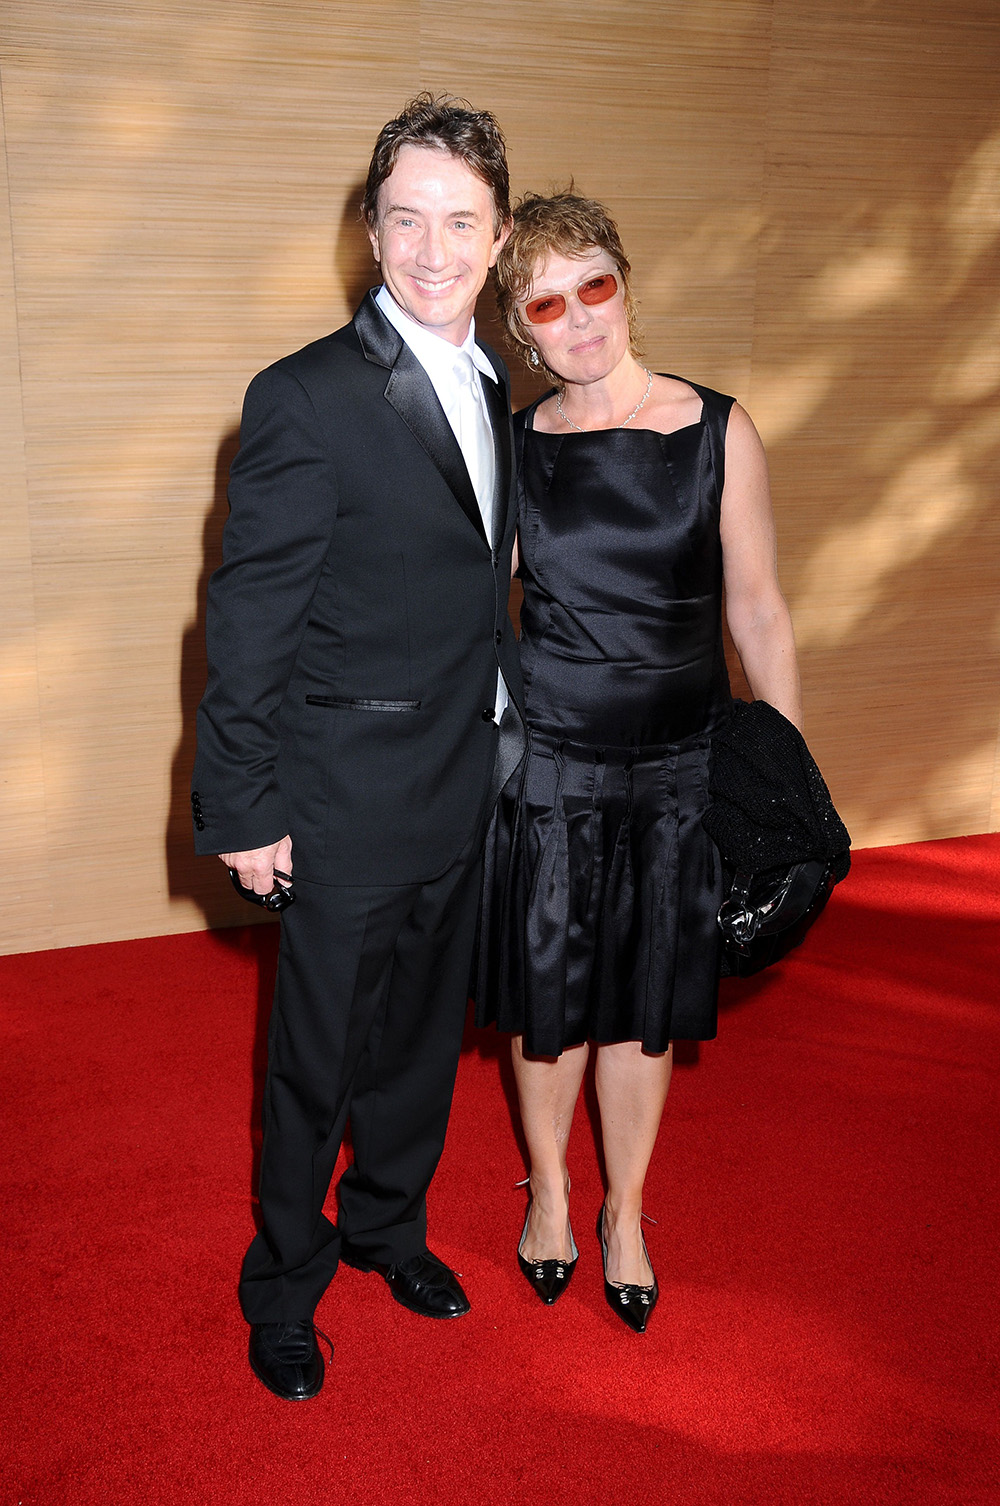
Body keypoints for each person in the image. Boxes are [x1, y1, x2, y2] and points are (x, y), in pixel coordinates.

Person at [192, 94, 525, 1400]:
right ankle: (284, 1280)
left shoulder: (496, 381)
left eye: (461, 222)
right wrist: (243, 806)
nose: (433, 250)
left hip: (458, 787)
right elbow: (248, 621)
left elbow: (476, 589)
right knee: (314, 1063)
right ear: (371, 230)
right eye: (406, 219)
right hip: (339, 801)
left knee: (423, 1046)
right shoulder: (304, 397)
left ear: (499, 236)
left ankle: (388, 1226)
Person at [474, 192, 802, 1332]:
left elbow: (758, 612)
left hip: (676, 773)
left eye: (593, 286)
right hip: (552, 772)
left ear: (626, 283)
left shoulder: (719, 431)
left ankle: (625, 1211)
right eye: (545, 304)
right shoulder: (517, 451)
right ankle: (551, 1196)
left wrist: (784, 780)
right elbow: (473, 611)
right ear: (522, 330)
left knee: (641, 1012)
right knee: (549, 1004)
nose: (577, 319)